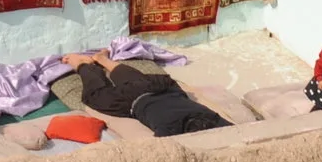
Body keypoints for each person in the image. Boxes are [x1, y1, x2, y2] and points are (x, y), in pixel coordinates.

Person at [62, 52, 229, 137]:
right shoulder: (171, 129)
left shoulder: (211, 117)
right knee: (95, 95)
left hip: (164, 85)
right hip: (134, 98)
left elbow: (236, 131)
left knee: (137, 81)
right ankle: (79, 63)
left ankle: (104, 60)